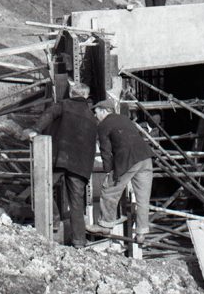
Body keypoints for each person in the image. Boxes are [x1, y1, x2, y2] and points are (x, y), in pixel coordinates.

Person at [28, 81, 97, 248]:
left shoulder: (64, 105)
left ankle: (54, 219)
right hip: (80, 166)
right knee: (76, 203)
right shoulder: (92, 117)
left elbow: (49, 114)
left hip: (60, 158)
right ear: (86, 96)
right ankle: (79, 242)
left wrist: (35, 129)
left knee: (42, 188)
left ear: (72, 94)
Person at [88, 99, 154, 241]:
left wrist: (108, 171)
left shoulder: (104, 125)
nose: (95, 115)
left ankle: (105, 225)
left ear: (105, 111)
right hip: (146, 158)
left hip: (128, 160)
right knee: (143, 198)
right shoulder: (125, 119)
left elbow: (105, 150)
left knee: (109, 190)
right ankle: (142, 232)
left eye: (97, 111)